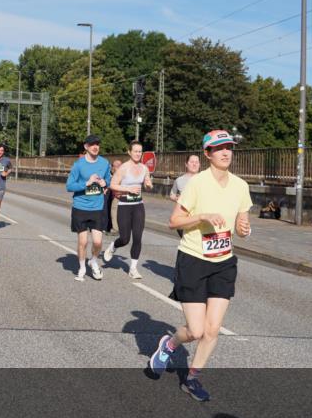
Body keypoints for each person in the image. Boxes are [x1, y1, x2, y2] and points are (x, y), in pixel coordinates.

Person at [149, 130, 252, 402]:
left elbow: (241, 226)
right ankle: (169, 345)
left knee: (213, 329)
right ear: (207, 154)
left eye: (229, 147)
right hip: (193, 260)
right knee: (195, 331)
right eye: (219, 148)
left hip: (224, 262)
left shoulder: (241, 186)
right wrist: (202, 217)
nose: (225, 152)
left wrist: (244, 229)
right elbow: (174, 221)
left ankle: (192, 378)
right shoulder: (197, 184)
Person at [103, 141, 154, 279]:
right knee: (125, 238)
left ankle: (133, 268)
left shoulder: (144, 168)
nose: (138, 154)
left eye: (140, 151)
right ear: (129, 152)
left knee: (137, 238)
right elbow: (113, 185)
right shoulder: (124, 168)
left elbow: (148, 182)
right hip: (124, 205)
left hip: (138, 205)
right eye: (135, 151)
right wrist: (128, 188)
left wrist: (149, 185)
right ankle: (113, 246)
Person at [65, 134, 112, 281]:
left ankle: (93, 260)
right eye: (92, 144)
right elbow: (69, 186)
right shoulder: (78, 165)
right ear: (86, 147)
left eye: (97, 144)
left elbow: (109, 180)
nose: (95, 146)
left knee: (98, 242)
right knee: (83, 241)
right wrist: (86, 183)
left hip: (97, 207)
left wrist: (106, 183)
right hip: (80, 207)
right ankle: (82, 267)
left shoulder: (104, 163)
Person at [170, 153, 202, 236]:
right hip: (184, 219)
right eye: (192, 162)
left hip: (200, 218)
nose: (194, 164)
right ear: (186, 164)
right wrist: (177, 198)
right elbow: (172, 194)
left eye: (197, 162)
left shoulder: (205, 179)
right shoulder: (179, 180)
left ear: (199, 165)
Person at [105, 158, 123, 235]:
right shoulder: (125, 173)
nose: (112, 168)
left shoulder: (117, 174)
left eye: (113, 166)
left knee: (114, 211)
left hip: (118, 196)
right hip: (125, 196)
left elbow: (112, 184)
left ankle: (115, 229)